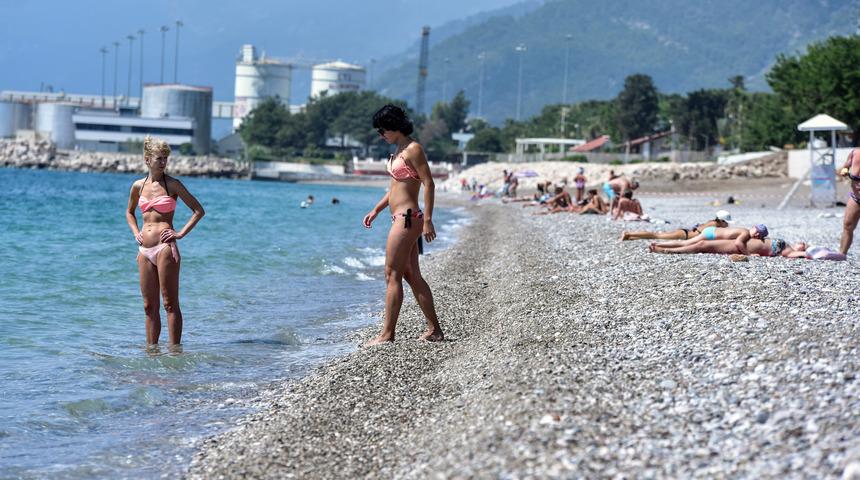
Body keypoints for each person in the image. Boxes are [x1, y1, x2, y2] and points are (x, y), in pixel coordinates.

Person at [363, 104, 444, 345]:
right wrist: (376, 209)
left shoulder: (413, 149)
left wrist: (428, 220)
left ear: (394, 127)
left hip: (409, 219)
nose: (381, 135)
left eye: (382, 131)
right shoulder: (398, 150)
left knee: (391, 273)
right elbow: (395, 188)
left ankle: (387, 335)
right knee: (411, 275)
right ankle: (435, 330)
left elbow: (429, 184)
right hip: (400, 218)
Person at [125, 136, 205, 346]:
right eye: (159, 158)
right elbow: (129, 212)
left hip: (165, 249)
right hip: (144, 250)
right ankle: (152, 352)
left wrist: (180, 234)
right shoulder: (137, 186)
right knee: (148, 307)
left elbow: (198, 211)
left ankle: (175, 352)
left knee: (170, 304)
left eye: (165, 158)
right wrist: (135, 232)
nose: (163, 162)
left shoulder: (173, 185)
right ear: (147, 160)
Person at [650, 235, 807, 258]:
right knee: (701, 243)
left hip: (738, 248)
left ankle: (666, 250)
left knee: (701, 246)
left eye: (804, 246)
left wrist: (805, 253)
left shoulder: (788, 250)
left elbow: (795, 256)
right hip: (737, 243)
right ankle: (664, 247)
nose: (802, 244)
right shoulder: (787, 244)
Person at [621, 210, 732, 241]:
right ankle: (629, 233)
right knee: (656, 236)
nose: (727, 225)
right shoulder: (714, 226)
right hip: (684, 235)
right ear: (722, 221)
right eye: (726, 222)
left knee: (657, 235)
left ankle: (630, 237)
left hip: (685, 232)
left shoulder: (711, 222)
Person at [652, 224, 768, 249]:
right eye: (757, 232)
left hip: (711, 230)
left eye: (759, 235)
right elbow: (738, 243)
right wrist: (748, 254)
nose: (756, 235)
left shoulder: (743, 229)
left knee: (685, 243)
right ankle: (659, 245)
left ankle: (658, 244)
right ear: (753, 227)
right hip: (711, 234)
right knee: (685, 244)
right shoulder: (745, 233)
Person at [839, 149, 860, 254]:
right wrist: (845, 170)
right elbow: (845, 167)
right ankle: (842, 254)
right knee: (847, 226)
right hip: (856, 197)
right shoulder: (854, 153)